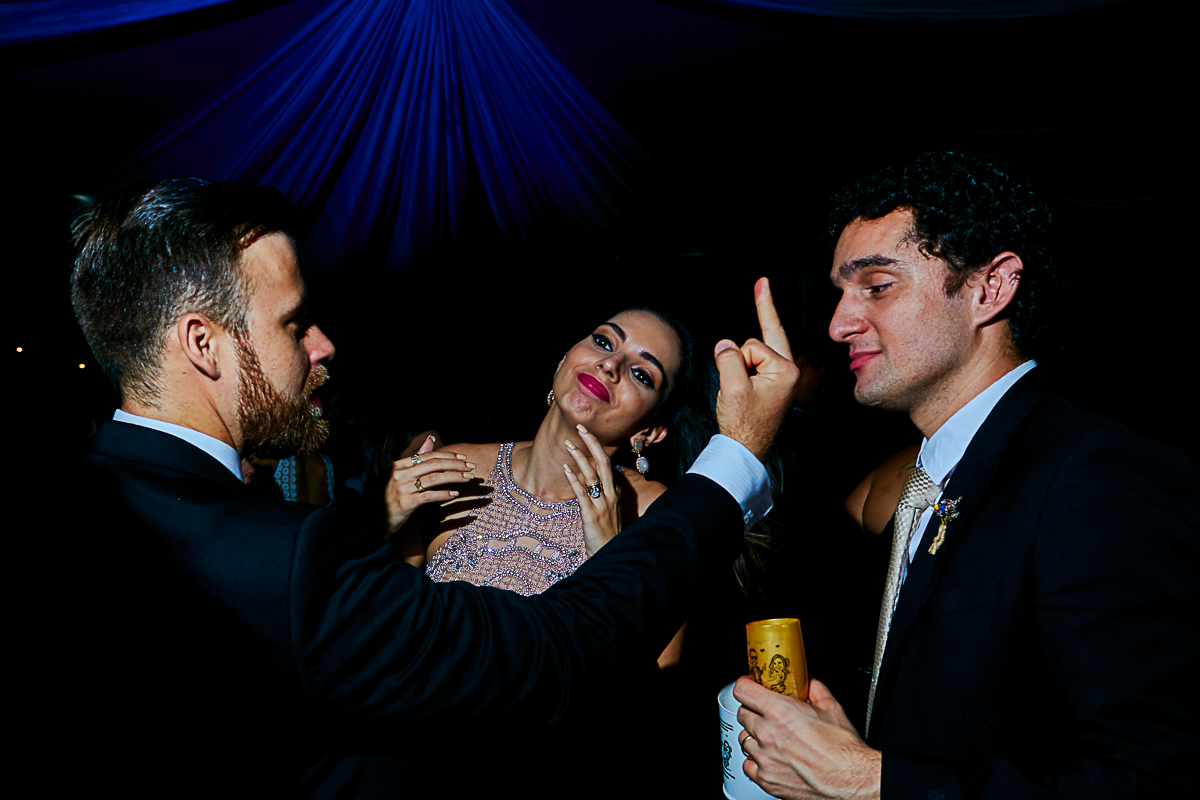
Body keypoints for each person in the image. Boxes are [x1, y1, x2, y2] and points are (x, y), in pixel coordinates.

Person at [66, 177, 798, 798]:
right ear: (203, 343)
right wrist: (738, 457)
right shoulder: (286, 555)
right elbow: (553, 652)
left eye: (643, 372)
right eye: (294, 324)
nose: (323, 346)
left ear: (654, 429)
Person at [733, 152, 1200, 799]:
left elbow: (1152, 778)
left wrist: (868, 778)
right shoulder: (931, 478)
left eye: (877, 286)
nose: (840, 323)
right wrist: (857, 749)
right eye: (841, 293)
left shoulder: (1092, 473)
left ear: (991, 288)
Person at [388, 308, 715, 666]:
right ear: (563, 361)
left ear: (650, 431)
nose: (610, 365)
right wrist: (382, 520)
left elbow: (654, 679)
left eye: (641, 374)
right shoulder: (455, 468)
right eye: (604, 342)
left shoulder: (655, 512)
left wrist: (610, 558)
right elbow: (385, 623)